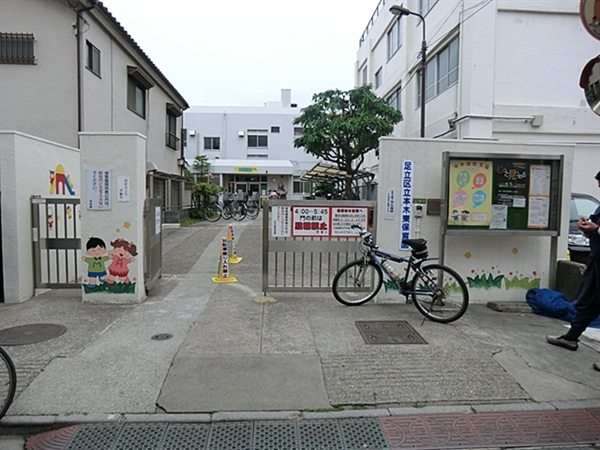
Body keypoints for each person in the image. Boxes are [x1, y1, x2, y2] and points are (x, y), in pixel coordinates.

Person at [546, 170, 600, 372]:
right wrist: (587, 228)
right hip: (596, 259)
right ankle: (571, 337)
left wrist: (596, 229)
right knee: (588, 301)